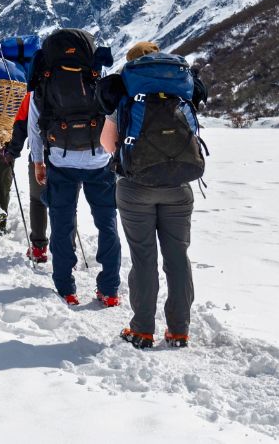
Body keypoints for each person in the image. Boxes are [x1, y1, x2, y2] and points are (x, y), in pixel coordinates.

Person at [99, 41, 209, 350]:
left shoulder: (124, 94)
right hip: (179, 187)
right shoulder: (182, 90)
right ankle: (178, 330)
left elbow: (108, 145)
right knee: (177, 257)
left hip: (136, 188)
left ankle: (142, 330)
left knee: (143, 258)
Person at [28, 29, 121, 307]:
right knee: (107, 224)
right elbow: (113, 118)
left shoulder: (43, 83)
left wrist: (37, 161)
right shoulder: (98, 77)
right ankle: (110, 289)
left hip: (60, 160)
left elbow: (35, 126)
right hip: (99, 161)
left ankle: (66, 288)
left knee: (62, 223)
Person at [8, 91, 48, 261]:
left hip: (40, 156)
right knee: (66, 204)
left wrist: (12, 151)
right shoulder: (79, 82)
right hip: (70, 156)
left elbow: (21, 124)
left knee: (38, 201)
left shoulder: (34, 92)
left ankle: (38, 249)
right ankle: (68, 250)